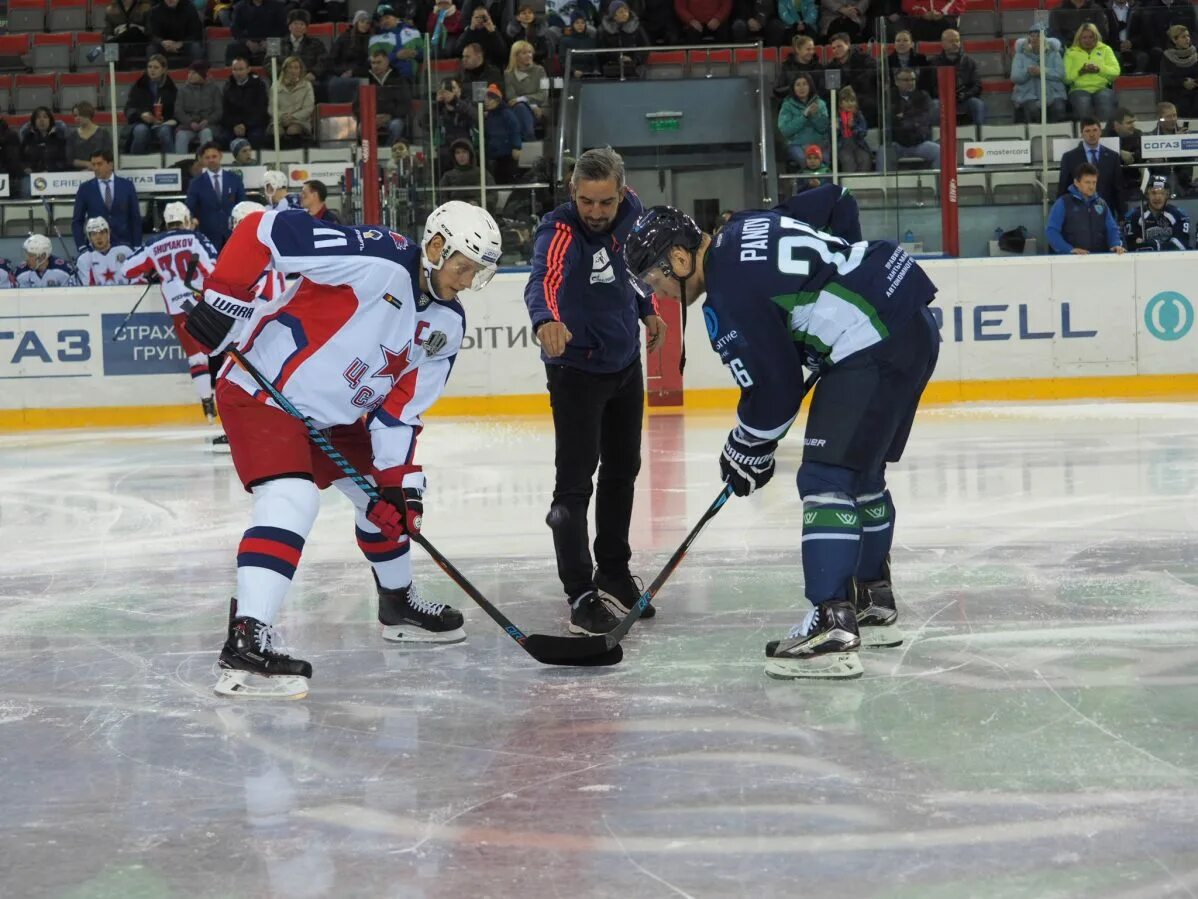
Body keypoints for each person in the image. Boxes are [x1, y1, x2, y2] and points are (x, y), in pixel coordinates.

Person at [180, 201, 501, 698]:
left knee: (385, 500)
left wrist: (398, 488)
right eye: (463, 267)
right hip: (264, 393)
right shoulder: (380, 259)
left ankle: (397, 604)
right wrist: (225, 299)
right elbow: (263, 229)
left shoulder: (447, 326)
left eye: (476, 274)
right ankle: (247, 637)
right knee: (292, 498)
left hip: (337, 421)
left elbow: (401, 409)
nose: (465, 281)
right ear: (436, 247)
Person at [622, 188, 940, 680]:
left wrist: (747, 447)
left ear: (680, 258)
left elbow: (774, 392)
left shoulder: (727, 296)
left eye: (653, 278)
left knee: (825, 479)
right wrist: (838, 286)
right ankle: (873, 602)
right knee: (862, 475)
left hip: (871, 342)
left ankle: (831, 625)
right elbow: (836, 202)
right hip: (911, 318)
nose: (656, 295)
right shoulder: (743, 222)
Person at [522, 147, 666, 636]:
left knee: (623, 471)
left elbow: (639, 266)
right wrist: (546, 319)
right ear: (573, 192)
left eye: (605, 202)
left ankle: (613, 572)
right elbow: (546, 277)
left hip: (624, 364)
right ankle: (581, 593)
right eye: (587, 201)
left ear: (622, 193)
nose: (596, 212)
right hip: (575, 372)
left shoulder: (634, 214)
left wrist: (647, 306)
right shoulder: (559, 229)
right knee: (575, 484)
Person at [122, 201, 218, 419]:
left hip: (177, 307)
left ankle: (208, 407)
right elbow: (213, 267)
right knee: (222, 353)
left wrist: (152, 272)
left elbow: (127, 269)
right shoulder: (196, 238)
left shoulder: (154, 243)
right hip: (202, 302)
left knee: (196, 358)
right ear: (186, 219)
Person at [1047, 160, 1126, 254]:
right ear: (1076, 182)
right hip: (1071, 261)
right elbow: (1052, 231)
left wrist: (1115, 244)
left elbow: (1112, 228)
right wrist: (1069, 250)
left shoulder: (1102, 204)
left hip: (1099, 259)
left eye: (1094, 182)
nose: (1091, 186)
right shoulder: (1063, 203)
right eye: (1087, 182)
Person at [71, 149, 143, 251]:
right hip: (96, 248)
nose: (95, 168)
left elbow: (135, 218)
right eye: (93, 164)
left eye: (99, 164)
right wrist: (81, 246)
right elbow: (77, 221)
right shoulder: (85, 189)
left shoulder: (127, 186)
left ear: (110, 164)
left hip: (125, 246)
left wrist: (137, 245)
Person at [1057, 117, 1124, 217]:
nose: (1092, 134)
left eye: (1095, 130)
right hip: (1078, 213)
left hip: (1106, 212)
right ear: (1081, 133)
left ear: (1100, 132)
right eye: (1087, 131)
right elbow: (1063, 188)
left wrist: (1122, 215)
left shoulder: (1113, 157)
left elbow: (1118, 188)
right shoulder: (1069, 158)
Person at [187, 141, 247, 249]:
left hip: (233, 235)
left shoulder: (234, 179)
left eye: (214, 156)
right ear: (202, 159)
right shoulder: (195, 183)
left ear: (220, 156)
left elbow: (243, 204)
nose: (211, 160)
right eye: (207, 157)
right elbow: (190, 209)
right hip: (207, 238)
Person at [877, 68, 939, 170]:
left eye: (913, 79)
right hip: (897, 144)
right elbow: (887, 119)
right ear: (897, 82)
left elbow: (924, 119)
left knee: (939, 151)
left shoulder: (923, 96)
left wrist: (903, 118)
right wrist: (911, 119)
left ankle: (940, 185)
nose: (910, 83)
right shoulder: (889, 97)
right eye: (906, 80)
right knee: (883, 152)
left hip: (919, 143)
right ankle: (884, 185)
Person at [1011, 24, 1068, 123]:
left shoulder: (1054, 53)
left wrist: (1043, 71)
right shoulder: (1020, 55)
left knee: (1058, 108)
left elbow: (1060, 74)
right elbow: (1015, 77)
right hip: (1028, 94)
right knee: (1033, 110)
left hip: (1053, 93)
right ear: (1028, 38)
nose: (1035, 39)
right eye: (1032, 36)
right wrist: (1028, 71)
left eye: (1038, 36)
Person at [1064, 22, 1120, 122]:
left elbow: (1115, 72)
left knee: (1105, 104)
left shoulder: (1105, 50)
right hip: (1079, 89)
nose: (1088, 40)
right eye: (1084, 37)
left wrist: (1099, 70)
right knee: (1083, 105)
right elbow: (1066, 78)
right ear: (1079, 38)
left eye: (1091, 37)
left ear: (1096, 37)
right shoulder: (1070, 52)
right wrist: (1080, 72)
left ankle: (1107, 135)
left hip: (1101, 88)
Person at [930, 28, 985, 127]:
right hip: (942, 100)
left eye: (957, 40)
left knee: (977, 104)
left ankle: (979, 138)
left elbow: (977, 85)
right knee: (934, 105)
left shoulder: (969, 62)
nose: (955, 43)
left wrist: (966, 95)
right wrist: (945, 95)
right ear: (942, 43)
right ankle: (935, 138)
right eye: (951, 41)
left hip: (965, 99)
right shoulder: (933, 63)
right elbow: (930, 86)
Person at [125, 54, 178, 155]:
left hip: (162, 124)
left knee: (165, 132)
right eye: (149, 67)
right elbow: (129, 108)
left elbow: (175, 111)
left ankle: (171, 165)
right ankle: (134, 164)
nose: (152, 70)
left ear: (164, 69)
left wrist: (164, 119)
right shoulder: (139, 85)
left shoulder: (171, 88)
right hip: (141, 122)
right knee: (140, 131)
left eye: (156, 67)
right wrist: (141, 114)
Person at [1124, 174, 1191, 250]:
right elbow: (1130, 246)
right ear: (1147, 195)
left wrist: (1155, 245)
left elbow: (1181, 245)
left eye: (1162, 193)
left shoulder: (1178, 215)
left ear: (1167, 195)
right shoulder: (1134, 216)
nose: (1157, 197)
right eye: (1153, 193)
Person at [362, 49, 413, 145]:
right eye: (373, 63)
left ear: (387, 62)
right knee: (361, 127)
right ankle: (368, 155)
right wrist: (371, 117)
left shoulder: (399, 79)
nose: (375, 66)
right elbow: (357, 105)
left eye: (379, 62)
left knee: (397, 125)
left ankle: (388, 151)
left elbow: (405, 104)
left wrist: (390, 116)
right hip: (371, 119)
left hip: (392, 118)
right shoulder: (365, 80)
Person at [779, 72, 829, 168]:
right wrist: (804, 116)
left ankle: (822, 183)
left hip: (819, 144)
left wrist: (815, 115)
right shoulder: (787, 106)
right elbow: (785, 130)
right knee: (806, 160)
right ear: (793, 88)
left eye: (804, 84)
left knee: (823, 161)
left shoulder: (820, 103)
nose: (801, 88)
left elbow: (824, 128)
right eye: (798, 85)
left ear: (810, 86)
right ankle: (808, 183)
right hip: (797, 144)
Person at [220, 55, 271, 150]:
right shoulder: (228, 87)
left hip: (254, 125)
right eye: (235, 69)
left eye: (241, 69)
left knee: (256, 137)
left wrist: (245, 125)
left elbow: (261, 110)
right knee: (223, 138)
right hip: (233, 126)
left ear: (248, 69)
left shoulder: (259, 85)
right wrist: (235, 125)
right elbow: (226, 111)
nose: (238, 73)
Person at [174, 61, 223, 155]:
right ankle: (180, 164)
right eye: (189, 73)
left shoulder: (214, 90)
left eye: (193, 73)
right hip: (188, 126)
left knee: (206, 133)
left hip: (209, 125)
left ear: (202, 75)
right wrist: (190, 122)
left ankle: (206, 163)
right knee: (181, 135)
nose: (190, 75)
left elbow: (218, 111)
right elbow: (178, 111)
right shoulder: (182, 91)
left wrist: (207, 121)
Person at [505, 41, 548, 139]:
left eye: (530, 52)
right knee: (520, 108)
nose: (529, 55)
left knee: (520, 107)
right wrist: (531, 104)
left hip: (539, 110)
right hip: (519, 110)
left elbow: (543, 95)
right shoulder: (509, 74)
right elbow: (511, 98)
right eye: (524, 53)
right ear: (515, 56)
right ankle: (530, 138)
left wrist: (523, 99)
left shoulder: (540, 70)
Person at [75, 217, 134, 286]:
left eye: (102, 232)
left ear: (108, 233)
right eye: (94, 234)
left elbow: (136, 279)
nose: (98, 237)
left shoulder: (125, 251)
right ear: (89, 237)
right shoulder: (84, 259)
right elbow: (87, 289)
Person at [271, 56, 315, 147]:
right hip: (280, 120)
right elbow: (271, 108)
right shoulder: (276, 86)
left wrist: (292, 117)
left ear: (300, 70)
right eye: (290, 67)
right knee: (277, 131)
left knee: (293, 130)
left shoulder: (307, 86)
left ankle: (294, 158)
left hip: (300, 121)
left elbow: (308, 108)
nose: (293, 70)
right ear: (285, 69)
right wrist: (283, 117)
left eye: (296, 68)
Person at [483, 83, 522, 184]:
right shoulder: (488, 116)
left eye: (490, 99)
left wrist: (516, 147)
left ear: (497, 100)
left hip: (507, 154)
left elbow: (515, 130)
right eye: (486, 99)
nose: (486, 102)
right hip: (494, 155)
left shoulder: (507, 114)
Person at [228, 0, 288, 65]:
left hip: (271, 40)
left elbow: (282, 28)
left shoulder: (277, 6)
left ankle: (274, 72)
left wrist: (269, 41)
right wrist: (247, 42)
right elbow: (235, 29)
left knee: (279, 47)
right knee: (233, 47)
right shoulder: (240, 6)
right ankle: (239, 71)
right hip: (248, 41)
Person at [598, 0, 649, 76]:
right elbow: (602, 51)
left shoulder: (637, 27)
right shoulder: (604, 30)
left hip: (635, 66)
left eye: (626, 11)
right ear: (614, 15)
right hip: (612, 67)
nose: (625, 14)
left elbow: (645, 48)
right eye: (621, 12)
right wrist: (618, 58)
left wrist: (634, 59)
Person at [1159, 23, 1198, 118]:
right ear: (1174, 40)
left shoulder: (1196, 53)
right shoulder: (1167, 56)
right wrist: (1183, 83)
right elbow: (1166, 79)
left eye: (1188, 36)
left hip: (1195, 90)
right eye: (1183, 37)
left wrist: (1194, 82)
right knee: (1182, 103)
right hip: (1177, 92)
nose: (1187, 39)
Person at [147, 0, 204, 65]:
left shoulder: (190, 8)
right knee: (151, 49)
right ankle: (152, 74)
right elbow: (152, 34)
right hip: (164, 45)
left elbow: (196, 32)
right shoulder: (156, 11)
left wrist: (181, 43)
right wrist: (162, 42)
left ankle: (198, 73)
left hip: (185, 43)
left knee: (195, 47)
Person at [832, 86, 873, 172]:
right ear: (840, 103)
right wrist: (836, 129)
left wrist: (853, 126)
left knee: (865, 159)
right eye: (846, 101)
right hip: (843, 146)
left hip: (858, 144)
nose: (850, 103)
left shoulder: (859, 116)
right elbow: (832, 137)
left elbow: (863, 132)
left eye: (852, 101)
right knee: (848, 162)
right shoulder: (836, 117)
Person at [65, 103, 114, 171]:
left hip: (101, 171)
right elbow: (70, 159)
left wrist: (95, 165)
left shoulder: (103, 133)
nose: (77, 118)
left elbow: (109, 156)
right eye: (75, 116)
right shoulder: (72, 136)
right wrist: (87, 164)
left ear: (88, 114)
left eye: (81, 114)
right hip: (79, 174)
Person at [19, 107, 68, 175]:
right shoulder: (27, 138)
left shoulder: (59, 138)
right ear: (34, 121)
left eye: (45, 117)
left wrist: (50, 170)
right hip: (31, 175)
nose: (42, 120)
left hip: (53, 175)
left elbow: (64, 161)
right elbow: (20, 159)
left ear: (50, 120)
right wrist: (26, 168)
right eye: (38, 117)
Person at [774, 34, 822, 99]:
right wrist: (796, 89)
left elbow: (822, 89)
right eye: (808, 49)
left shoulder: (818, 67)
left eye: (813, 49)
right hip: (791, 103)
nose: (811, 52)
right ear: (798, 50)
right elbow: (778, 90)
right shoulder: (787, 66)